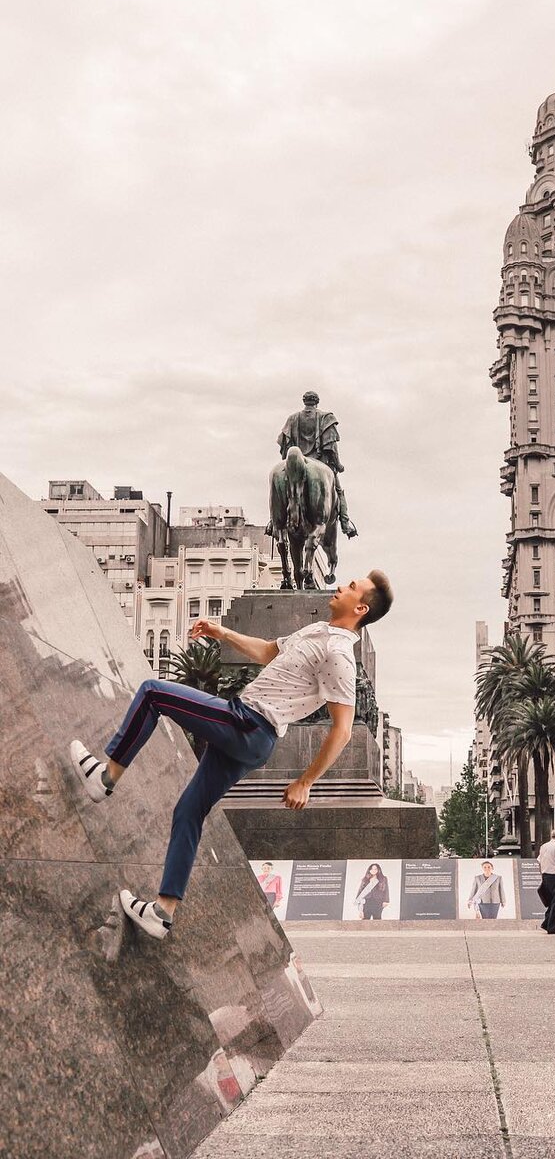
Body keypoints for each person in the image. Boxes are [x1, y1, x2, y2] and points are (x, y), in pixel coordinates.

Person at [67, 572, 393, 942]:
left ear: (361, 608)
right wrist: (223, 634)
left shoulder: (339, 656)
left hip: (249, 724)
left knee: (152, 692)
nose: (340, 587)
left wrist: (306, 781)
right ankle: (163, 911)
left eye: (351, 588)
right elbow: (268, 651)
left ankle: (105, 778)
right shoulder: (318, 631)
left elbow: (343, 729)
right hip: (250, 734)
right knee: (188, 811)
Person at [277, 390, 357, 538]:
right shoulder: (326, 418)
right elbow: (331, 447)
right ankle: (345, 523)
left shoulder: (292, 419)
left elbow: (285, 447)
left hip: (295, 467)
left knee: (280, 491)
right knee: (338, 491)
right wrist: (338, 465)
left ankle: (274, 521)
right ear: (317, 402)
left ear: (304, 401)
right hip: (320, 462)